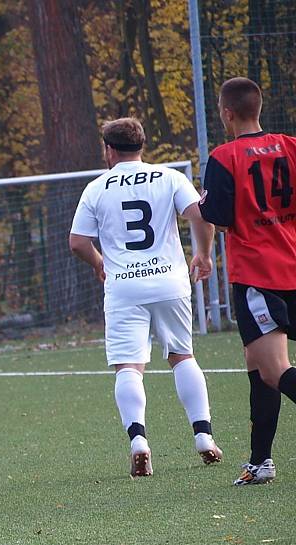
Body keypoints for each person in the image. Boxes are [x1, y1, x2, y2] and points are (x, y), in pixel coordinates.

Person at [69, 117, 222, 477]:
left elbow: (77, 242)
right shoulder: (168, 176)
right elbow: (200, 215)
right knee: (182, 356)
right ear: (142, 146)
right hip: (169, 281)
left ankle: (138, 441)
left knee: (129, 366)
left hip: (124, 286)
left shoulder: (97, 187)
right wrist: (203, 253)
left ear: (109, 149)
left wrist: (98, 262)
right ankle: (203, 436)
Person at [200, 77, 296, 486]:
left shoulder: (224, 156)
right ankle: (260, 463)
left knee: (275, 371)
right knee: (257, 366)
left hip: (260, 277)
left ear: (226, 113)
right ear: (258, 107)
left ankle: (261, 463)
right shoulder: (291, 146)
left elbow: (217, 217)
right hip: (293, 263)